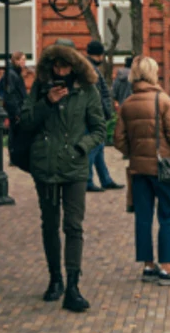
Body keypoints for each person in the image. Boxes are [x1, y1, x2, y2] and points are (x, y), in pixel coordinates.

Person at [18, 42, 107, 311]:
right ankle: (54, 279)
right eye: (56, 65)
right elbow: (25, 121)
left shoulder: (86, 90)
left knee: (74, 225)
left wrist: (81, 147)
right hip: (45, 166)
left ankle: (72, 286)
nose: (60, 70)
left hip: (75, 167)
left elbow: (100, 129)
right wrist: (47, 102)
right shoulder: (41, 88)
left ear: (75, 66)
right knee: (49, 223)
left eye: (65, 65)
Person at [115, 56, 170, 285]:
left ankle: (148, 266)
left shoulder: (127, 103)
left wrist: (135, 152)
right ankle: (167, 267)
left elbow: (118, 139)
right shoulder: (163, 100)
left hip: (138, 169)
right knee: (169, 212)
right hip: (162, 167)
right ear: (152, 73)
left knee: (143, 216)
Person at [86, 40, 124, 192]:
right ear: (100, 54)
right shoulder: (91, 70)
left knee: (99, 149)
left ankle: (105, 179)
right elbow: (97, 96)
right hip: (95, 116)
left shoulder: (90, 67)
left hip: (94, 115)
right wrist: (104, 112)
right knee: (95, 147)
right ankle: (88, 180)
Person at [0, 53, 29, 127]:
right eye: (22, 60)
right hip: (16, 112)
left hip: (19, 110)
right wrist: (16, 113)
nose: (24, 62)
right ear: (16, 61)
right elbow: (10, 95)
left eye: (25, 60)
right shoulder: (11, 74)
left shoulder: (16, 73)